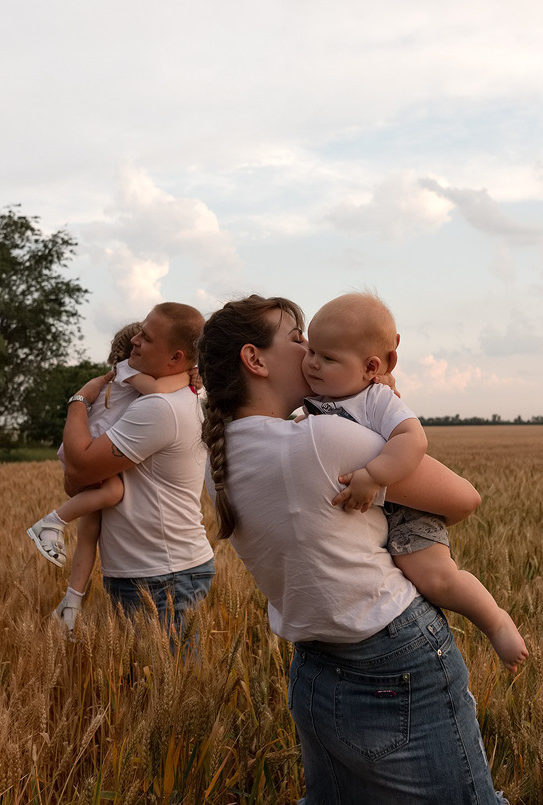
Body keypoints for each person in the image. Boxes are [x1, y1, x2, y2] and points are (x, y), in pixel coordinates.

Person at [197, 294, 507, 803]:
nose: (311, 351)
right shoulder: (321, 439)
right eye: (298, 340)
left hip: (315, 665)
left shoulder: (219, 458)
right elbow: (462, 498)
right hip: (395, 655)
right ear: (254, 361)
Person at [301, 292, 528, 671]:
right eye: (310, 351)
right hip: (371, 521)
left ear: (371, 366)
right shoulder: (319, 399)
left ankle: (495, 620)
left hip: (407, 512)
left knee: (436, 580)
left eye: (327, 358)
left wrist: (374, 474)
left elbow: (413, 440)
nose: (312, 364)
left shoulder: (376, 399)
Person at [59, 302, 214, 641]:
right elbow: (77, 481)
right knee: (147, 687)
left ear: (174, 358)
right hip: (148, 570)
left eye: (147, 336)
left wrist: (78, 401)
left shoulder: (160, 408)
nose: (135, 341)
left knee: (164, 688)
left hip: (161, 574)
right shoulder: (169, 398)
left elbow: (79, 467)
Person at [25, 321, 192, 628]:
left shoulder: (122, 376)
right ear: (132, 353)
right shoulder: (127, 372)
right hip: (89, 448)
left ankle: (71, 603)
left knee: (90, 534)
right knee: (113, 492)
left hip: (91, 445)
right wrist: (190, 371)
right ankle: (50, 522)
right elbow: (159, 388)